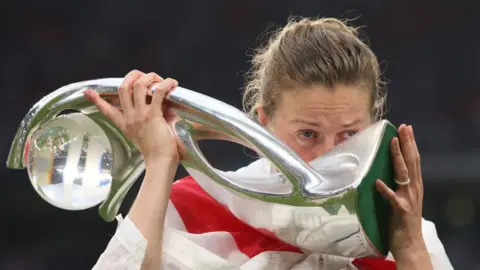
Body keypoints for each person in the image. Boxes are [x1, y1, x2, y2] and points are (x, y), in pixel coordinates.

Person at [86, 17, 453, 269]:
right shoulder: (194, 208)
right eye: (307, 134)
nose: (328, 154)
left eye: (349, 135)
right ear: (263, 123)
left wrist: (409, 249)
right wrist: (160, 162)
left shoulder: (406, 233)